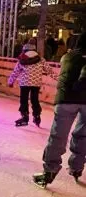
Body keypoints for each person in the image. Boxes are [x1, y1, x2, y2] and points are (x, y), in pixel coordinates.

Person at [34, 33, 86, 187]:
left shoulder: (67, 57)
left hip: (66, 100)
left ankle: (49, 170)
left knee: (58, 136)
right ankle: (77, 168)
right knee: (83, 135)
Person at [8, 37, 50, 127]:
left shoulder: (22, 59)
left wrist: (10, 82)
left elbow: (15, 72)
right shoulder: (41, 60)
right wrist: (60, 78)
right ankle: (37, 115)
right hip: (36, 83)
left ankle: (25, 116)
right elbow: (49, 70)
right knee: (35, 100)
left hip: (24, 83)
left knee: (24, 100)